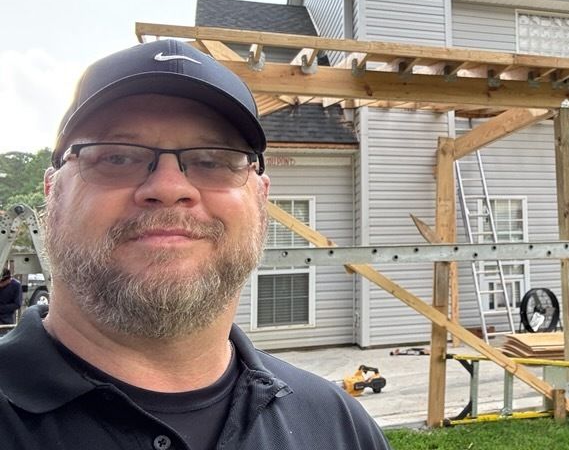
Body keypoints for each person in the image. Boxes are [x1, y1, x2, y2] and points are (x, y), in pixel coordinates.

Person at [0, 40, 392, 450]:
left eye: (213, 160)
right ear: (53, 193)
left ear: (261, 200)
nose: (169, 188)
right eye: (116, 157)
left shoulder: (338, 427)